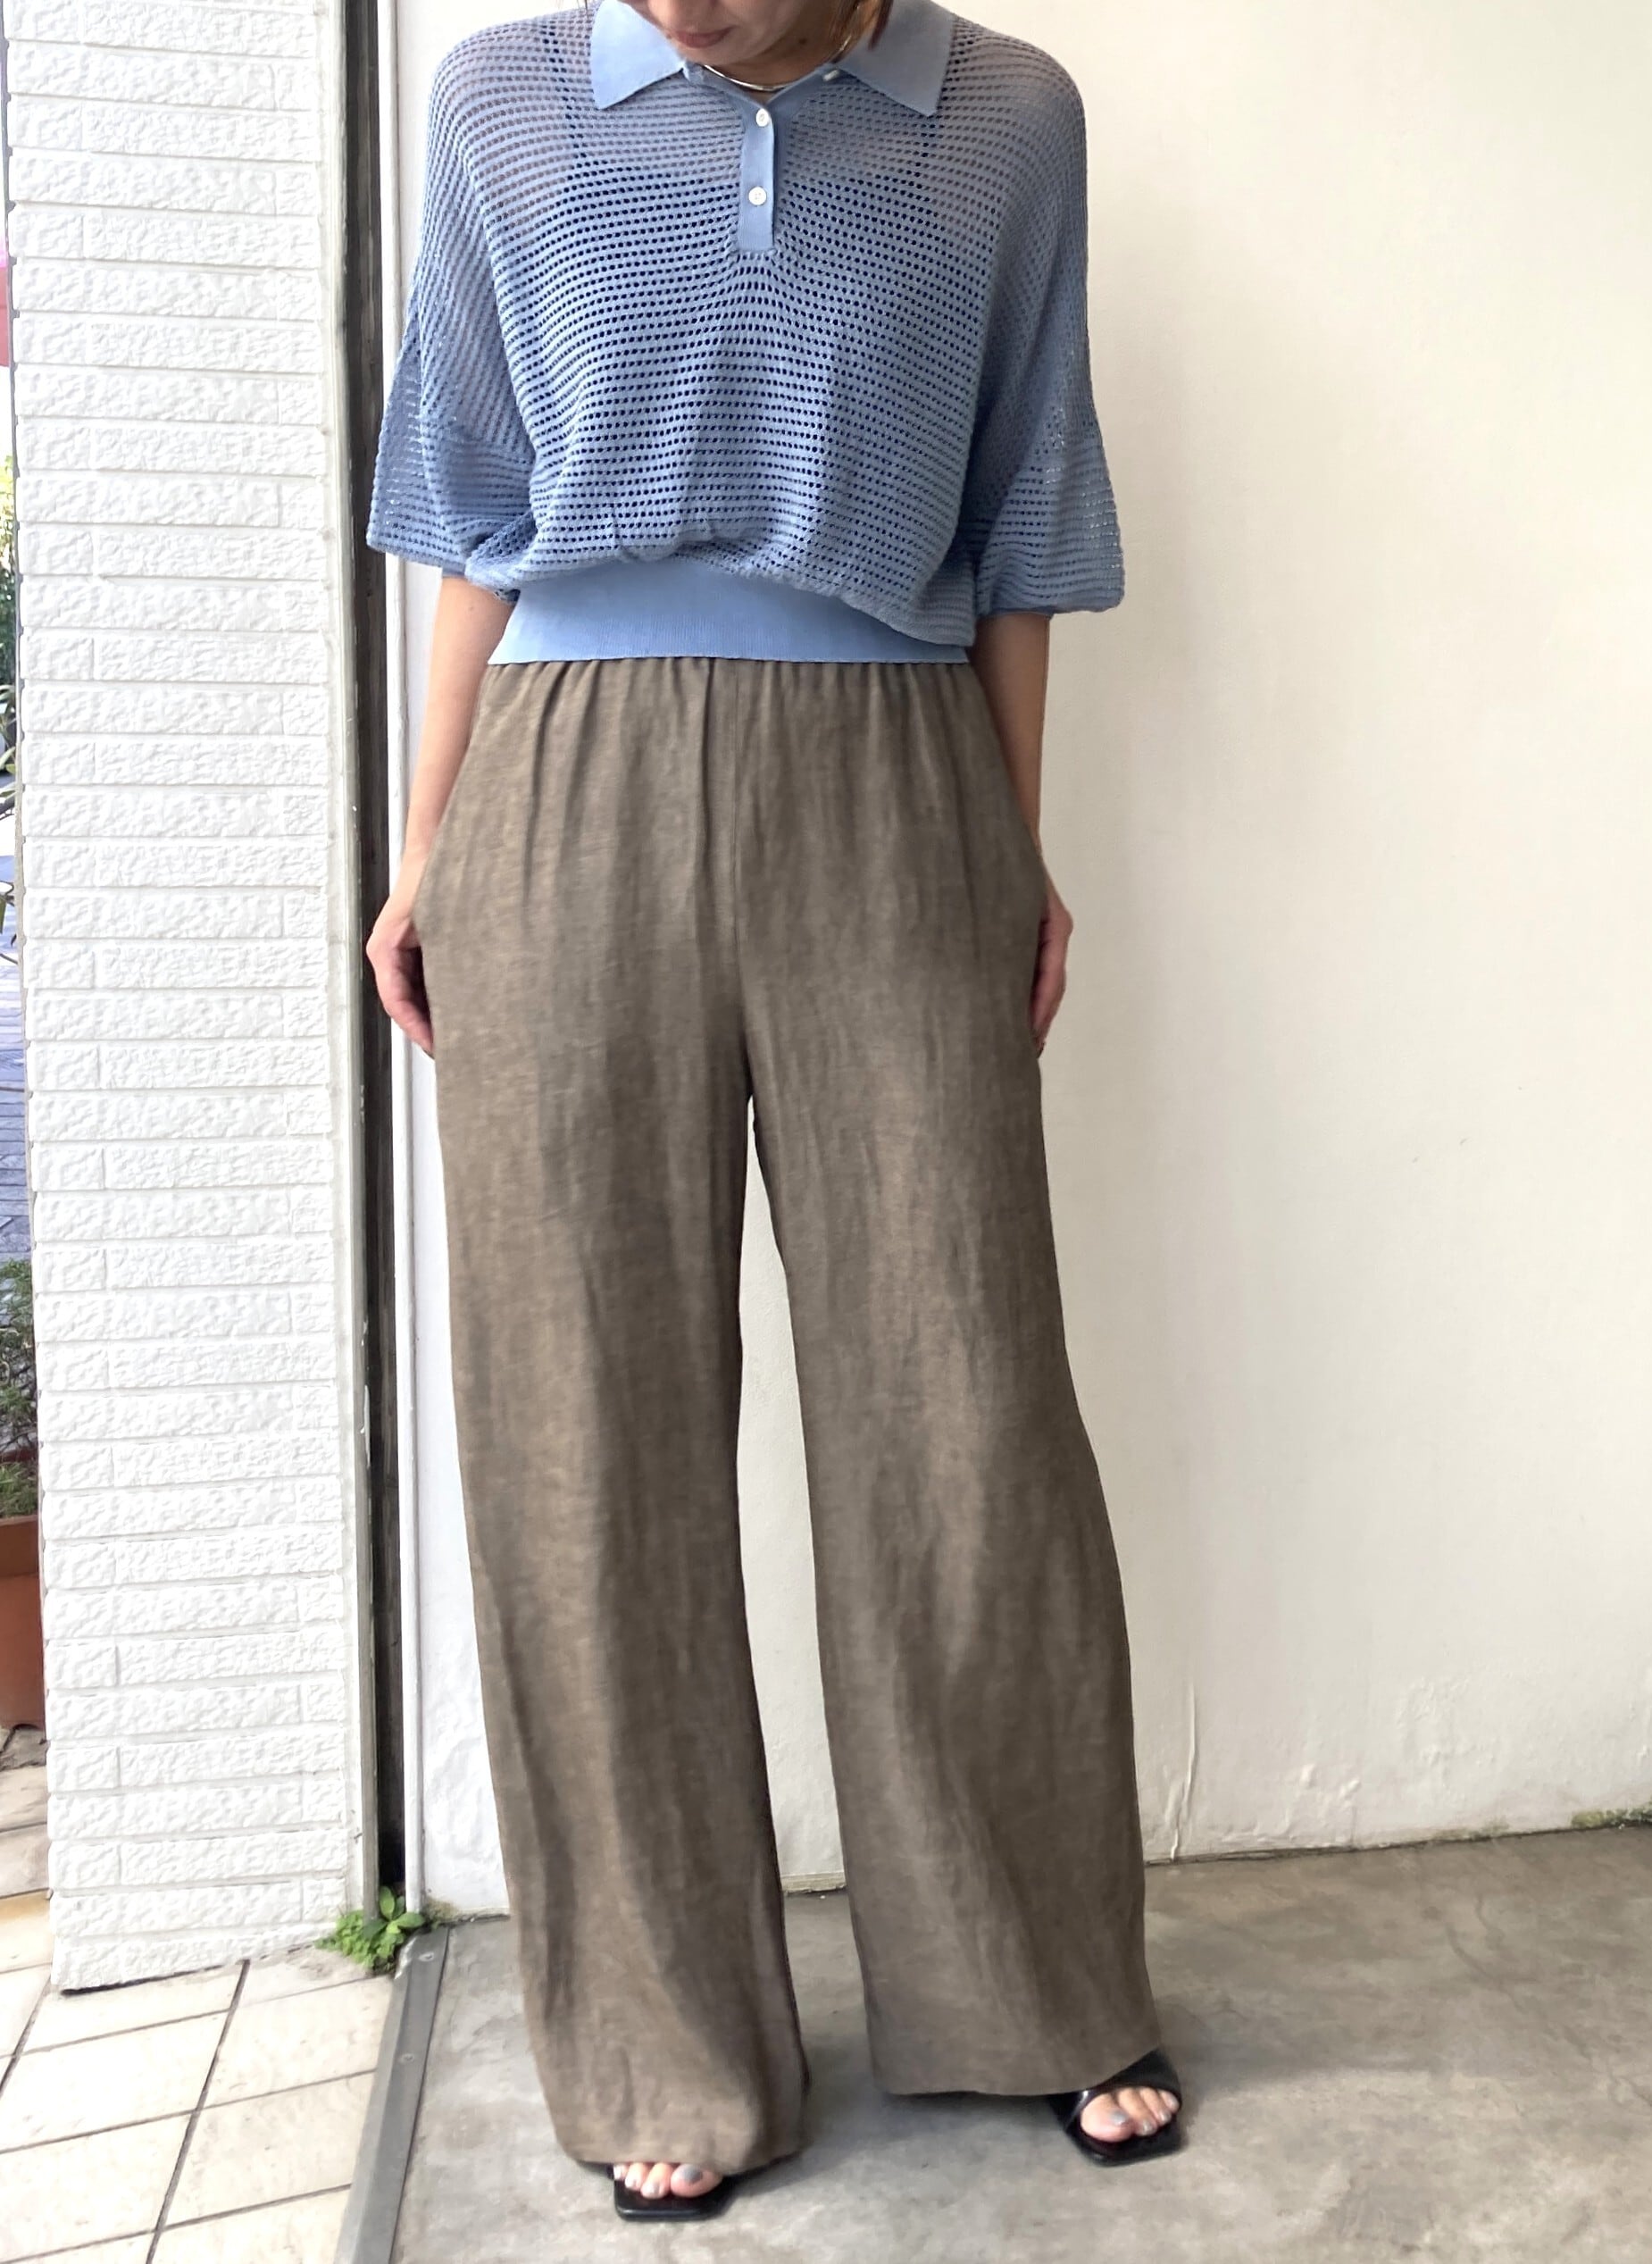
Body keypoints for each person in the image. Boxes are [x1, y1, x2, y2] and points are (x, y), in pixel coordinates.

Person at [364, 0, 1183, 2223]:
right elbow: (470, 505)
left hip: (895, 778)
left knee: (962, 1402)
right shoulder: (502, 99)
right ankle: (663, 2033)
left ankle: (1031, 1981)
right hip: (562, 788)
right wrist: (428, 846)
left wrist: (1011, 842)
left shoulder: (1005, 118)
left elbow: (1022, 513)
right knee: (584, 1428)